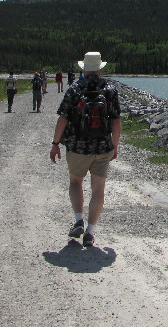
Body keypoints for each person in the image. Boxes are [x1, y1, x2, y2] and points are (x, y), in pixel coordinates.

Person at [50, 52, 121, 248]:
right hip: (102, 146)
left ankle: (78, 219)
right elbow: (116, 122)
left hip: (77, 146)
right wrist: (114, 146)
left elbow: (63, 118)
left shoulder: (74, 89)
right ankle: (90, 231)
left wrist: (55, 144)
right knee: (98, 189)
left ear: (83, 69)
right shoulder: (110, 89)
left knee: (75, 182)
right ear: (100, 68)